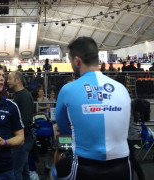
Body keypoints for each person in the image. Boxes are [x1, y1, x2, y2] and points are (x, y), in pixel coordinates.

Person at [52, 37, 132, 180]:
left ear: (77, 61)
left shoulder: (68, 89)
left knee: (54, 172)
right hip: (124, 166)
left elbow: (63, 127)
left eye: (70, 61)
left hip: (84, 166)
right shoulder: (122, 89)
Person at [7, 71, 34, 180]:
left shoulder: (25, 96)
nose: (7, 81)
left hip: (23, 139)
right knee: (23, 170)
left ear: (18, 80)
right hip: (20, 138)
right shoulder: (18, 95)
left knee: (16, 172)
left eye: (9, 78)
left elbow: (25, 120)